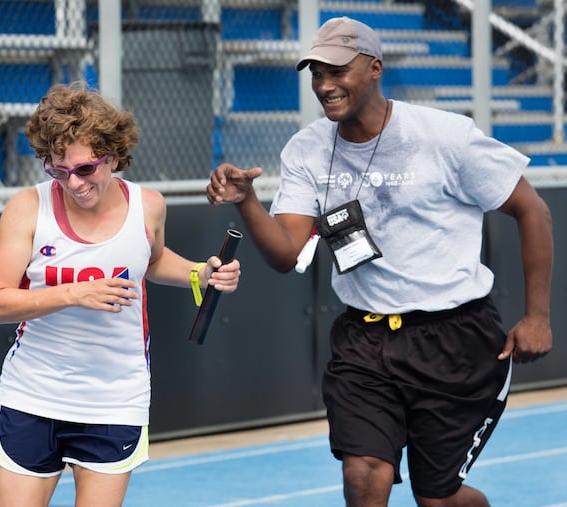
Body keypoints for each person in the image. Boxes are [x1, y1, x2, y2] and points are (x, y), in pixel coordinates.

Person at [207, 16, 552, 507]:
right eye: (316, 74)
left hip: (455, 340)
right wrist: (247, 201)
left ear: (374, 68)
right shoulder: (307, 148)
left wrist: (537, 316)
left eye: (337, 71)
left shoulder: (444, 136)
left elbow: (532, 210)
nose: (324, 85)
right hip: (365, 341)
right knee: (363, 475)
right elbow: (285, 253)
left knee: (438, 498)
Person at [0, 81, 242, 507]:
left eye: (85, 169)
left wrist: (201, 273)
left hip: (114, 399)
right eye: (58, 170)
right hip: (34, 394)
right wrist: (73, 293)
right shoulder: (27, 208)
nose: (74, 183)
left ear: (113, 155)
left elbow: (151, 261)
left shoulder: (148, 206)